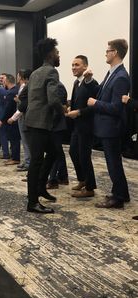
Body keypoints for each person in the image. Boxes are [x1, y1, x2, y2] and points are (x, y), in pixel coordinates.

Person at [87, 39, 130, 208]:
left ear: (115, 53)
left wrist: (95, 103)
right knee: (113, 162)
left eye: (108, 51)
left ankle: (118, 198)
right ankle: (122, 193)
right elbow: (102, 92)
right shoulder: (112, 72)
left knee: (113, 163)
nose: (105, 53)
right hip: (107, 126)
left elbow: (116, 108)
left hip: (112, 127)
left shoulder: (120, 77)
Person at [25, 38, 64, 214]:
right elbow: (53, 99)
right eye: (57, 52)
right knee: (36, 162)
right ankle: (32, 202)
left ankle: (40, 187)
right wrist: (63, 111)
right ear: (50, 55)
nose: (58, 55)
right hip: (41, 124)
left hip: (33, 122)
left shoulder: (35, 73)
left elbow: (25, 97)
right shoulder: (51, 72)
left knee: (54, 152)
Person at [66, 55, 98, 198]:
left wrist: (78, 112)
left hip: (87, 126)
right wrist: (70, 109)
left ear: (85, 66)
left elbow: (94, 106)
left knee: (84, 156)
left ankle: (90, 188)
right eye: (72, 65)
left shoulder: (90, 82)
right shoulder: (75, 83)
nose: (73, 67)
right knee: (73, 152)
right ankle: (83, 180)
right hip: (77, 126)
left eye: (77, 65)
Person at [0, 74, 21, 165]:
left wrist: (2, 120)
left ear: (7, 81)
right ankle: (14, 157)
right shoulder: (17, 90)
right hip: (15, 118)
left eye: (4, 80)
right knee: (14, 140)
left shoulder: (10, 92)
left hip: (11, 120)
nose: (3, 82)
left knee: (14, 139)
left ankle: (15, 158)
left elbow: (7, 108)